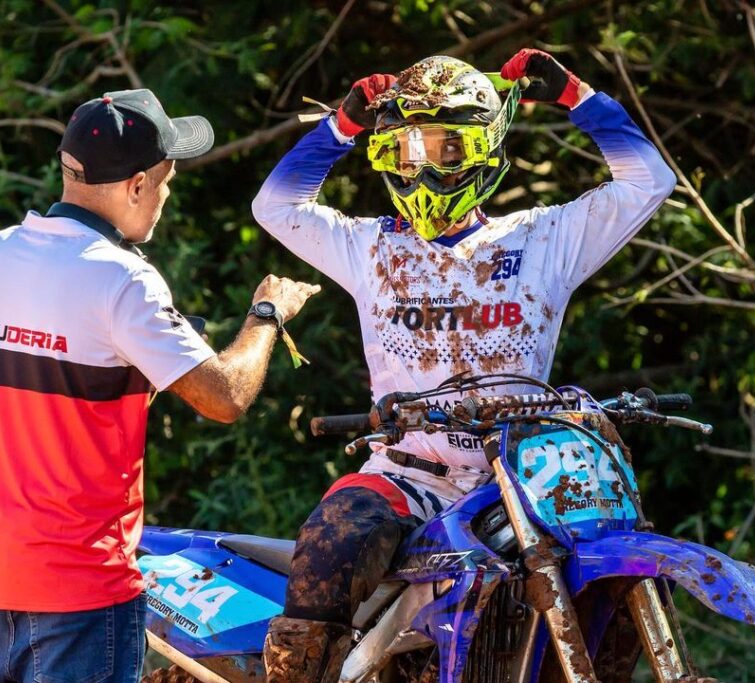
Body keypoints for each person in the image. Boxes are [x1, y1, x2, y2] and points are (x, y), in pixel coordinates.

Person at [252, 49, 676, 681]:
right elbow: (275, 207)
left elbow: (649, 181)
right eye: (404, 150)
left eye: (446, 148)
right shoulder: (372, 246)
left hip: (526, 485)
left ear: (483, 149)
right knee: (330, 548)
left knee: (623, 584)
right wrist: (341, 125)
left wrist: (576, 96)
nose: (422, 166)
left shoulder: (541, 240)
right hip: (405, 473)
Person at [0, 88, 320, 683]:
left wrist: (136, 371)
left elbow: (47, 399)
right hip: (82, 583)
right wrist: (266, 316)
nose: (166, 197)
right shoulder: (123, 278)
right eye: (167, 181)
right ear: (135, 185)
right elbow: (225, 397)